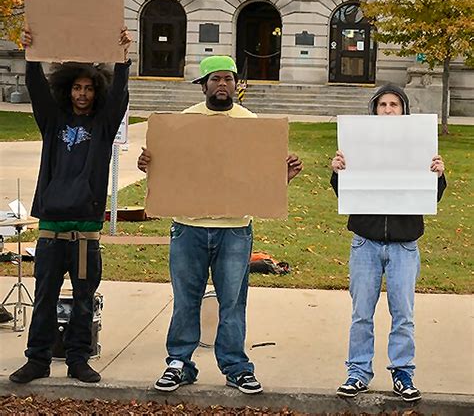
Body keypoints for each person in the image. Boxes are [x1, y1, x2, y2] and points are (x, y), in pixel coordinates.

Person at [137, 55, 303, 394]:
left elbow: (256, 182)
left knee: (232, 301)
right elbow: (170, 173)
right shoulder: (182, 123)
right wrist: (151, 166)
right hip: (188, 227)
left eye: (228, 78)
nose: (222, 84)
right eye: (215, 79)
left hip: (235, 230)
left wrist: (281, 177)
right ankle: (179, 363)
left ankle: (236, 366)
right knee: (186, 299)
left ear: (236, 84)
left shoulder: (251, 124)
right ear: (204, 85)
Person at [9, 27, 132, 384]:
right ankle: (38, 360)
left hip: (85, 232)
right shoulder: (52, 122)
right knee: (44, 297)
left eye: (89, 88)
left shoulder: (104, 125)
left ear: (97, 92)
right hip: (50, 229)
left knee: (82, 298)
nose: (82, 94)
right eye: (77, 88)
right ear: (68, 90)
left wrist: (123, 58)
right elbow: (35, 90)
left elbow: (120, 95)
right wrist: (31, 55)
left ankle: (79, 359)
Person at [330, 84, 446, 402]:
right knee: (361, 313)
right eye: (382, 104)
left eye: (394, 104)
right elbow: (346, 195)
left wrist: (437, 175)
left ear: (404, 110)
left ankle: (403, 372)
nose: (388, 109)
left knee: (403, 313)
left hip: (404, 244)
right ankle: (357, 373)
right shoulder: (358, 146)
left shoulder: (420, 147)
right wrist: (339, 172)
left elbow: (431, 198)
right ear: (375, 110)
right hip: (365, 242)